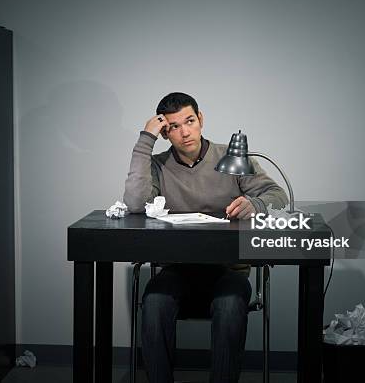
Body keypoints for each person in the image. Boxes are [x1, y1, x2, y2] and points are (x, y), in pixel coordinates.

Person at [123, 92, 288, 383]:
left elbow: (278, 196)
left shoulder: (232, 158)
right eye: (173, 126)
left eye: (189, 121)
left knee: (230, 304)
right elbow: (136, 204)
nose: (184, 132)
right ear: (164, 132)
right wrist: (144, 141)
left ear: (201, 119)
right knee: (154, 302)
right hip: (176, 268)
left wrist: (255, 204)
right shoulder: (158, 166)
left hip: (228, 269)